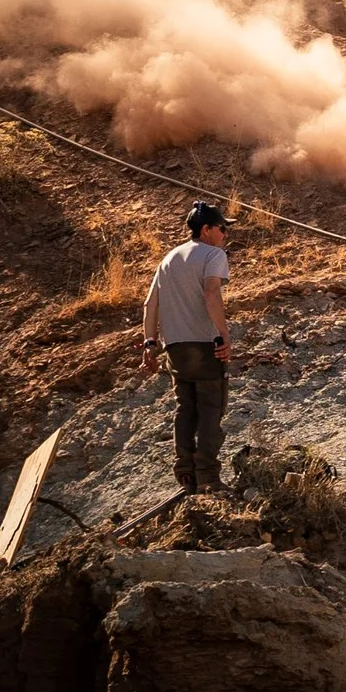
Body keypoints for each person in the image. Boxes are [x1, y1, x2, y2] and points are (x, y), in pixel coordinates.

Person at [141, 200, 235, 494]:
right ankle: (207, 476)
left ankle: (186, 474)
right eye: (221, 228)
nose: (224, 234)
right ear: (206, 229)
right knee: (210, 409)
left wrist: (150, 343)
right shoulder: (213, 254)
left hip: (175, 348)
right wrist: (223, 334)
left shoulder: (168, 259)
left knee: (185, 409)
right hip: (205, 345)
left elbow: (150, 304)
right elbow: (211, 293)